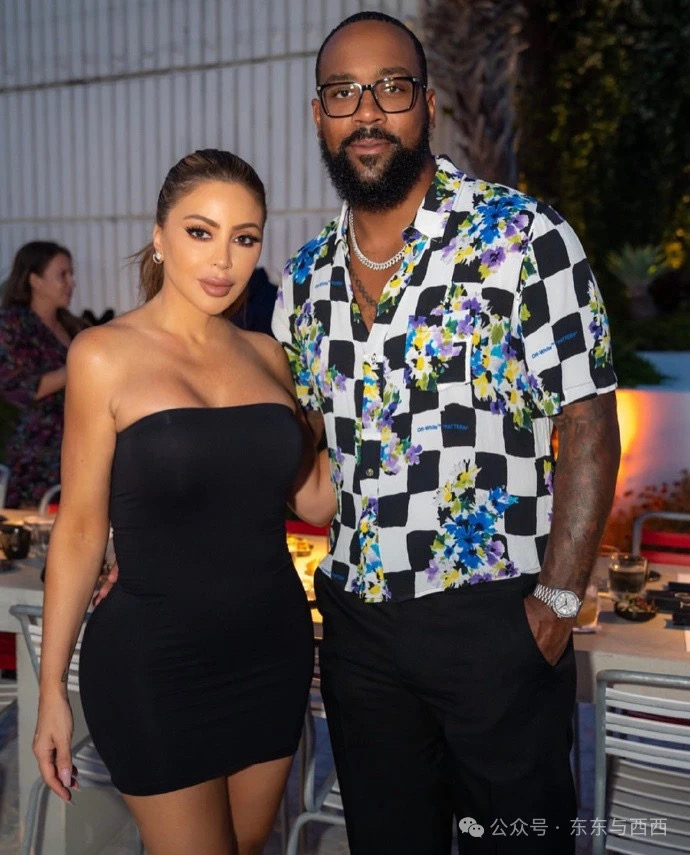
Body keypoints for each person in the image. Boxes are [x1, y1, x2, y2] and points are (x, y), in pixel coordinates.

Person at [272, 12, 621, 855]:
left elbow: (589, 419)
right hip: (358, 633)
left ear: (427, 104)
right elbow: (290, 449)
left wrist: (556, 603)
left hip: (495, 623)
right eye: (342, 93)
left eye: (390, 88)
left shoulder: (523, 238)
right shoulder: (304, 278)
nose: (367, 112)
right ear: (318, 115)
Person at [33, 149, 336, 855]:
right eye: (201, 232)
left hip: (272, 649)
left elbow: (316, 502)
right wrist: (51, 690)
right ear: (160, 236)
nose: (223, 260)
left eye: (245, 238)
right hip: (155, 661)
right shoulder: (103, 354)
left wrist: (359, 400)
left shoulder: (270, 356)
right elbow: (79, 530)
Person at [0, 241, 86, 507]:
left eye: (71, 274)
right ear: (35, 280)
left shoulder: (72, 325)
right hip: (37, 455)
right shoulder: (12, 324)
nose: (71, 282)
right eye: (62, 275)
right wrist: (83, 364)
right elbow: (23, 388)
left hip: (78, 447)